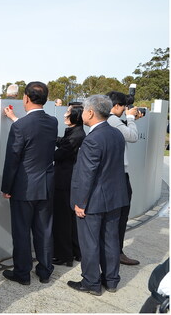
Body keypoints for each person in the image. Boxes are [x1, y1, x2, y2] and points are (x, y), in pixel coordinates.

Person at [67, 94, 128, 296]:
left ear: (90, 112)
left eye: (84, 109)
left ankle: (91, 282)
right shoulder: (116, 134)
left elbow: (86, 175)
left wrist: (80, 203)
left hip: (93, 201)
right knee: (111, 240)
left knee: (90, 242)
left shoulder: (93, 138)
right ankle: (111, 281)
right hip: (115, 198)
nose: (82, 113)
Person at [1, 81, 58, 285]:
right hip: (45, 185)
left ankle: (22, 273)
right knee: (44, 230)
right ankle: (44, 271)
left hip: (23, 188)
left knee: (22, 231)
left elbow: (12, 159)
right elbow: (35, 136)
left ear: (25, 98)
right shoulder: (53, 122)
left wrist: (6, 187)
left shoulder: (20, 126)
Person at [106, 90, 143, 266]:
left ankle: (114, 252)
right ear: (117, 106)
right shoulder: (113, 120)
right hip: (119, 175)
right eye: (124, 106)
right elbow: (133, 137)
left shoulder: (109, 120)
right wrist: (131, 119)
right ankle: (116, 253)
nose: (125, 109)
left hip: (113, 174)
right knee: (120, 217)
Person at [52, 103, 85, 267]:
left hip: (64, 182)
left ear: (77, 117)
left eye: (68, 112)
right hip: (67, 181)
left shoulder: (76, 136)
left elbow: (59, 154)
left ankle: (64, 256)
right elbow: (63, 143)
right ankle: (74, 252)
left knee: (62, 220)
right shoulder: (75, 133)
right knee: (69, 220)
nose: (65, 115)